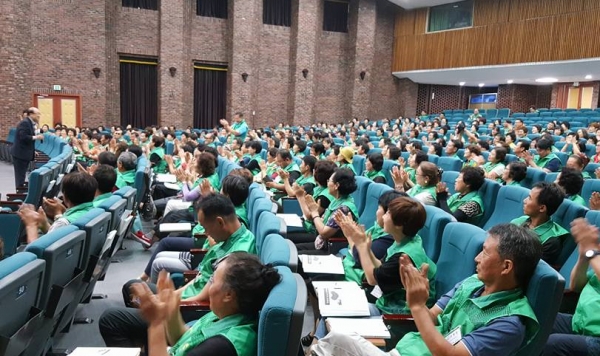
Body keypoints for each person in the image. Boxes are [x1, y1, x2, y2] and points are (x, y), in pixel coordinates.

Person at [310, 223, 542, 356]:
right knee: (336, 339)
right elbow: (431, 317)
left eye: (485, 252)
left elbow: (448, 354)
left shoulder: (509, 323)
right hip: (408, 350)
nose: (477, 258)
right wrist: (417, 295)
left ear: (506, 266)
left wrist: (417, 305)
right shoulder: (472, 283)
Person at [99, 193, 257, 349]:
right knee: (132, 287)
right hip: (189, 299)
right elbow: (200, 278)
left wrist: (166, 306)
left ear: (220, 222)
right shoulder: (227, 240)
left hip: (194, 306)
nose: (206, 233)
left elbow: (205, 294)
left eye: (207, 228)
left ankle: (148, 338)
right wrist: (171, 297)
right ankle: (144, 342)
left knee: (111, 319)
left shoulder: (236, 256)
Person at [132, 253, 280, 356]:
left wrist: (156, 323)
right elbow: (184, 341)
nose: (209, 287)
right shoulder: (227, 315)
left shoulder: (223, 345)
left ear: (229, 295)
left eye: (213, 281)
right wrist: (171, 312)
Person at [543, 218, 600, 356]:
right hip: (580, 323)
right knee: (536, 319)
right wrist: (583, 257)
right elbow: (576, 285)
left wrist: (591, 250)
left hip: (597, 337)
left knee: (553, 344)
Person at [18, 172, 97, 244]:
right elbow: (56, 237)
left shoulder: (64, 223)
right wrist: (44, 224)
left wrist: (31, 224)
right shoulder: (95, 211)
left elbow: (36, 252)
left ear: (64, 196)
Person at [296, 168, 358, 255]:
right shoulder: (336, 200)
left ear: (336, 185)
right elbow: (323, 221)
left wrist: (314, 212)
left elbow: (324, 233)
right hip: (322, 243)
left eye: (329, 180)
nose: (327, 183)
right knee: (292, 250)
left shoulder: (344, 208)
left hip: (332, 248)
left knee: (296, 257)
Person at [511, 182, 568, 265]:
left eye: (529, 198)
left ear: (542, 208)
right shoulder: (520, 220)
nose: (524, 200)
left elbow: (531, 269)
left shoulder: (551, 240)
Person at [11, 107, 45, 188]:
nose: (39, 116)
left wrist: (32, 151)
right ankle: (18, 193)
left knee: (22, 175)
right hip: (20, 154)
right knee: (20, 176)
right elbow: (23, 137)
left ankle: (20, 190)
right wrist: (37, 137)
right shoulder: (25, 123)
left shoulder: (29, 123)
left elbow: (28, 137)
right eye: (37, 114)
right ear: (31, 114)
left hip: (24, 152)